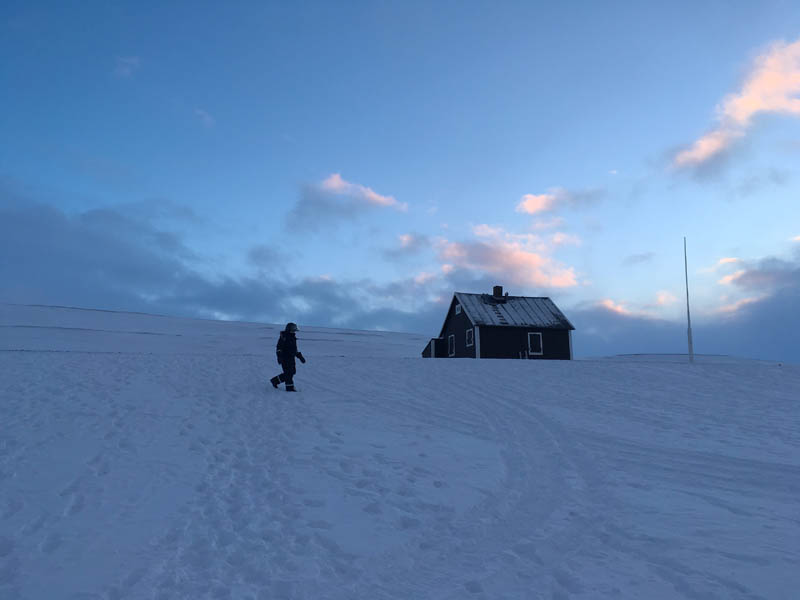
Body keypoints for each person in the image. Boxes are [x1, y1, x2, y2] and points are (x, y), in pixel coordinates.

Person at [270, 322, 306, 392]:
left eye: (295, 329)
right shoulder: (284, 336)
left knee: (292, 372)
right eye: (293, 328)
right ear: (289, 329)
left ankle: (275, 381)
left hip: (291, 358)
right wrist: (279, 357)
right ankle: (290, 388)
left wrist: (300, 356)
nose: (294, 330)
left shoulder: (293, 338)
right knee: (288, 373)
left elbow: (294, 350)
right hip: (285, 358)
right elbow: (279, 348)